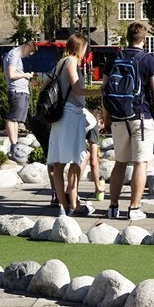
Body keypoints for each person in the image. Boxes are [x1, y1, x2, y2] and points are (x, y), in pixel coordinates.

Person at [103, 22, 154, 220]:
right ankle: (134, 208)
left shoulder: (114, 58)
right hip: (141, 115)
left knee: (119, 163)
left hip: (118, 117)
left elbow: (105, 89)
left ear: (127, 37)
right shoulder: (149, 60)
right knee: (140, 163)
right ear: (144, 39)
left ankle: (113, 207)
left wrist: (107, 116)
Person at [46, 35, 89, 216]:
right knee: (78, 158)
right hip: (70, 114)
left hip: (59, 116)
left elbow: (44, 87)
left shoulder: (60, 63)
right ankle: (73, 202)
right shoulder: (71, 62)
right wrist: (100, 91)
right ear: (80, 48)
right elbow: (78, 88)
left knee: (59, 162)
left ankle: (63, 205)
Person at [2, 41, 36, 144]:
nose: (29, 55)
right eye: (30, 51)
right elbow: (11, 74)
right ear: (27, 47)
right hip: (16, 90)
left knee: (16, 119)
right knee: (13, 118)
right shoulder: (14, 54)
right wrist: (25, 75)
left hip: (21, 91)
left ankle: (15, 143)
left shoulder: (16, 56)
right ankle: (13, 144)